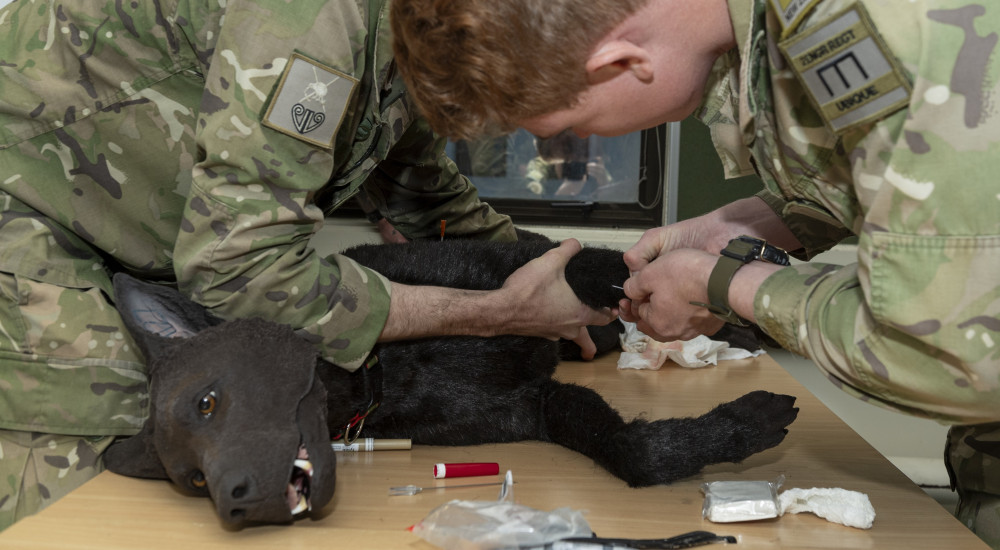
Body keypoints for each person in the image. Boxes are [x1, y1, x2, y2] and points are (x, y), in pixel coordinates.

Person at [391, 0, 1000, 545]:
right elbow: (916, 190)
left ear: (621, 62)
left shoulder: (879, 29)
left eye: (572, 126)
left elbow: (948, 351)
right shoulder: (781, 28)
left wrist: (724, 285)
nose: (581, 139)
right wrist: (753, 226)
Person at [0, 0, 616, 529]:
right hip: (24, 216)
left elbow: (429, 198)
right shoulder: (318, 23)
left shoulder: (407, 35)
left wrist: (583, 280)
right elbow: (240, 270)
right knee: (115, 467)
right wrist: (501, 313)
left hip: (135, 230)